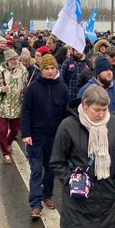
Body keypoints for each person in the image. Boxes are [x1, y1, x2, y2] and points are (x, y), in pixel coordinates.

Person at [50, 85, 115, 228]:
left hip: (107, 197)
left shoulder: (113, 123)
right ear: (85, 106)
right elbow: (57, 161)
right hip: (78, 200)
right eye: (97, 110)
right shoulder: (67, 126)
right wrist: (71, 181)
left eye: (104, 109)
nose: (101, 114)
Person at [21, 54, 70, 219]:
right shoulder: (33, 88)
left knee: (50, 169)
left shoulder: (62, 89)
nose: (50, 71)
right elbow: (26, 111)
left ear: (56, 69)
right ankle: (35, 203)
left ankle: (47, 194)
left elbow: (66, 114)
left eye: (52, 68)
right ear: (41, 70)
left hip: (55, 137)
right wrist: (26, 133)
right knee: (36, 169)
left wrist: (66, 136)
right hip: (36, 136)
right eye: (46, 68)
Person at [0, 49, 29, 164]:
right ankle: (5, 153)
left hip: (17, 105)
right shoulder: (0, 69)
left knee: (15, 130)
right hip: (4, 105)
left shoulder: (22, 69)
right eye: (13, 59)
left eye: (16, 58)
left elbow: (26, 83)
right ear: (8, 60)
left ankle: (8, 142)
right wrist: (1, 89)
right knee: (2, 131)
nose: (16, 61)